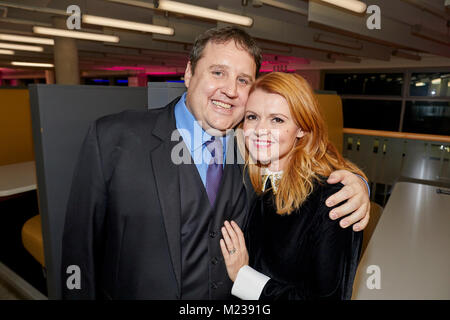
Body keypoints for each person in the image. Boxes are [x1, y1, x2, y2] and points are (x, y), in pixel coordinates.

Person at [61, 27, 370, 300]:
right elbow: (79, 251)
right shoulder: (115, 137)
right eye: (218, 72)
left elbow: (310, 164)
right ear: (189, 73)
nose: (231, 89)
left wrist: (357, 184)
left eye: (243, 79)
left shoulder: (251, 152)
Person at [220, 72, 365, 300]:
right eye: (252, 117)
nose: (260, 130)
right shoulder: (264, 183)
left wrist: (243, 277)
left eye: (277, 119)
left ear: (302, 128)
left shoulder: (333, 200)